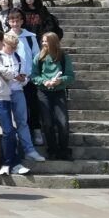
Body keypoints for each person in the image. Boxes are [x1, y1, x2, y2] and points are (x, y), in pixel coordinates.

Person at [0, 30, 33, 177]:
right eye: (2, 42)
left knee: (10, 131)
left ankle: (12, 163)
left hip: (5, 94)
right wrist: (18, 76)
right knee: (9, 131)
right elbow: (4, 71)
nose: (3, 44)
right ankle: (8, 163)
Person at [6, 9, 46, 156]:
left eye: (17, 20)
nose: (15, 23)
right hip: (13, 78)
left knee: (32, 104)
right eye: (12, 21)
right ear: (9, 22)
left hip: (28, 77)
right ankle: (20, 132)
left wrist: (30, 74)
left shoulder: (30, 37)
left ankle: (35, 130)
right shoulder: (5, 37)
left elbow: (36, 56)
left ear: (22, 21)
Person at [32, 32, 75, 160]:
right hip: (43, 92)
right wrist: (43, 81)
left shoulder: (63, 57)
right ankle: (52, 150)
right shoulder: (38, 57)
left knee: (62, 122)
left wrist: (60, 80)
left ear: (54, 42)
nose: (44, 43)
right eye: (43, 41)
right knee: (48, 123)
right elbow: (33, 75)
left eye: (47, 41)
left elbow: (71, 76)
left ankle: (64, 150)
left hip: (59, 91)